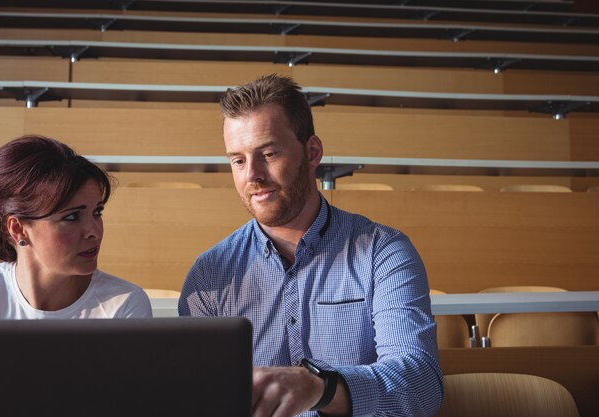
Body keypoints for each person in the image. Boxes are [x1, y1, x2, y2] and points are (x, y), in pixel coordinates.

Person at [178, 74, 443, 417]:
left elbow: (420, 385)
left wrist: (322, 387)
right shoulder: (208, 274)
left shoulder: (384, 252)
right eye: (238, 160)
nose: (252, 176)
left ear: (312, 151)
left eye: (268, 153)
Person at [0, 135, 152, 319]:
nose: (95, 232)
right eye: (72, 217)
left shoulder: (123, 306)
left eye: (97, 213)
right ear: (18, 229)